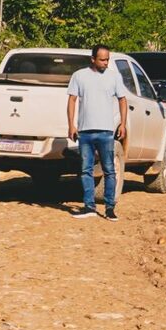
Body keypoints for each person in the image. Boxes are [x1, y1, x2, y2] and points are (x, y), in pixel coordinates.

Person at [66, 45, 129, 220]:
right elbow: (72, 100)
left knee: (109, 170)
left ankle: (110, 208)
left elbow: (123, 100)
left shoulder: (114, 77)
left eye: (107, 59)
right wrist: (71, 125)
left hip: (106, 131)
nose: (105, 63)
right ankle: (89, 207)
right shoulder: (79, 76)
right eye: (102, 59)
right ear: (92, 59)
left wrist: (123, 124)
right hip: (85, 131)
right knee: (86, 170)